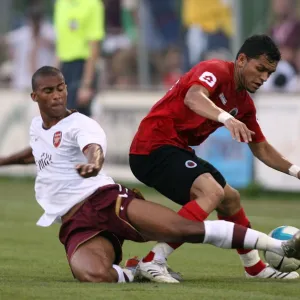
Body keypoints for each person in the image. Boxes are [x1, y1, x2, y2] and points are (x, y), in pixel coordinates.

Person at [1, 66, 300, 283]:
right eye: (49, 91)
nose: (57, 95)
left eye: (61, 87)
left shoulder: (81, 124)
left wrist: (94, 161)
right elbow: (36, 152)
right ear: (34, 96)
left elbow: (94, 148)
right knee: (93, 275)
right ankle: (136, 271)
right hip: (75, 222)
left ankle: (279, 247)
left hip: (104, 200)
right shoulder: (37, 128)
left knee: (188, 225)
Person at [129, 34, 300, 282]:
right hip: (151, 146)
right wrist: (226, 118)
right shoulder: (216, 69)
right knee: (212, 192)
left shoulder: (244, 105)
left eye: (269, 73)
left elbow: (261, 148)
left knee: (230, 198)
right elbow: (193, 97)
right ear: (241, 60)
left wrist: (296, 170)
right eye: (260, 69)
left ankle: (254, 268)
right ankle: (153, 260)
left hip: (175, 149)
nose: (263, 78)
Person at [54, 0, 105, 116]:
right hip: (64, 68)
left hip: (82, 67)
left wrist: (86, 84)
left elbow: (94, 47)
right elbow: (59, 46)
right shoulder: (60, 4)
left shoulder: (93, 5)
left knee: (78, 121)